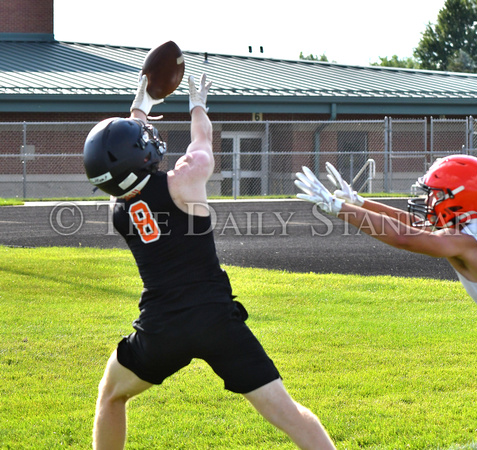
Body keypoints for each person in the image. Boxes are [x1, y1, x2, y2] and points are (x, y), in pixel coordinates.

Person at [83, 73, 336, 450]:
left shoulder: (117, 209)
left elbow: (123, 164)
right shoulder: (185, 181)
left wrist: (141, 106)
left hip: (161, 327)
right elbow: (201, 140)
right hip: (216, 320)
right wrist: (197, 105)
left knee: (111, 395)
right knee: (287, 412)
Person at [295, 156, 477, 449]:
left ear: (459, 199)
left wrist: (339, 209)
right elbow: (416, 225)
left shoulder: (466, 242)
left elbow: (405, 237)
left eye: (435, 195)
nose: (428, 201)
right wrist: (361, 203)